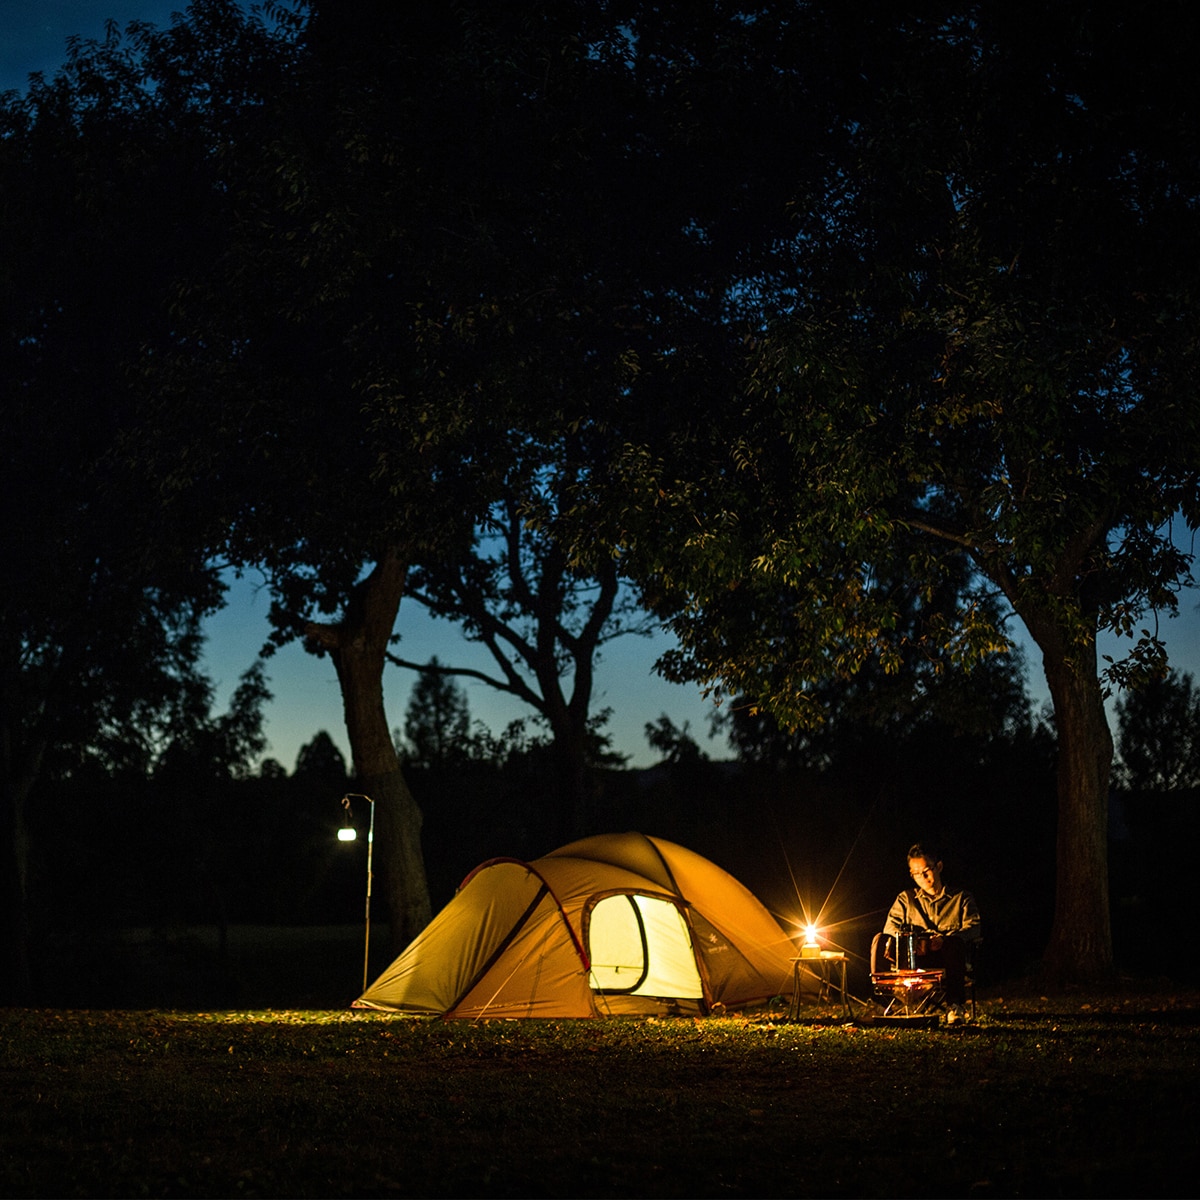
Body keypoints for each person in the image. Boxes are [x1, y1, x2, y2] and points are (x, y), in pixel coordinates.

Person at [882, 842, 982, 1023]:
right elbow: (891, 927)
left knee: (954, 943)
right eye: (916, 873)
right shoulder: (906, 899)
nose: (923, 877)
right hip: (916, 957)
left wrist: (945, 939)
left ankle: (954, 1006)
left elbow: (973, 927)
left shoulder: (961, 898)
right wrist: (914, 940)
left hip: (948, 957)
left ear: (939, 867)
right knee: (879, 940)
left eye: (926, 870)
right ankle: (882, 1001)